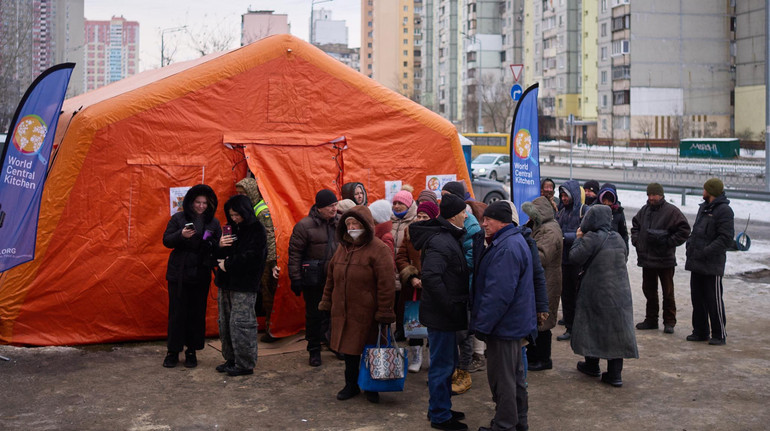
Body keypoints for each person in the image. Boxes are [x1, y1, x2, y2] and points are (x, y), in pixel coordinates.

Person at [318, 205, 395, 404]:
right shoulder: (343, 248)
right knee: (350, 350)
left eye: (356, 223)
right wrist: (326, 300)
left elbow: (386, 284)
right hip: (344, 311)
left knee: (370, 349)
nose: (351, 227)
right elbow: (330, 278)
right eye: (348, 223)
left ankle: (371, 387)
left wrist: (384, 311)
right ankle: (350, 385)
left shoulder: (379, 249)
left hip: (368, 312)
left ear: (367, 225)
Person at [472, 201, 536, 431]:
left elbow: (498, 294)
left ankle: (504, 425)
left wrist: (483, 326)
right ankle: (518, 422)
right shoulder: (510, 241)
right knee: (515, 378)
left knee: (503, 380)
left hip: (504, 326)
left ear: (502, 221)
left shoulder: (507, 247)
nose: (484, 223)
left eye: (488, 219)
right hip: (512, 325)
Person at [410, 194, 470, 431]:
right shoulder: (441, 241)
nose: (466, 215)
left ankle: (440, 407)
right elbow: (432, 277)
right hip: (442, 315)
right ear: (454, 215)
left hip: (445, 314)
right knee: (442, 366)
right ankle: (439, 416)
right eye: (463, 212)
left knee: (447, 363)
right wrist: (448, 305)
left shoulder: (448, 237)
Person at [569, 205, 638, 388]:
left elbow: (575, 257)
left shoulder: (591, 238)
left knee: (592, 325)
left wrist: (578, 239)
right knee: (617, 331)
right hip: (620, 294)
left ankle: (591, 365)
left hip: (596, 292)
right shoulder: (618, 238)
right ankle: (615, 374)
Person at [161, 184, 221, 368]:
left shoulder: (214, 222)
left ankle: (191, 351)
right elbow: (166, 240)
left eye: (204, 203)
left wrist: (213, 245)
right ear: (191, 202)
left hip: (200, 273)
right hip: (179, 273)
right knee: (177, 313)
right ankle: (173, 351)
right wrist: (181, 235)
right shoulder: (179, 218)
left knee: (196, 314)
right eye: (198, 202)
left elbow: (218, 246)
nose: (201, 206)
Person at [214, 194, 267, 376]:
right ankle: (231, 358)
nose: (235, 218)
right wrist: (220, 245)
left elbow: (254, 257)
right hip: (226, 283)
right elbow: (216, 253)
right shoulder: (231, 228)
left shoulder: (256, 229)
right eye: (232, 215)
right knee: (225, 322)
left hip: (244, 284)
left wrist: (227, 264)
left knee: (241, 323)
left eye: (237, 214)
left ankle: (245, 363)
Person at [288, 189, 339, 366]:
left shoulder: (341, 223)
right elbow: (295, 253)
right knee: (314, 315)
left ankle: (336, 345)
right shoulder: (304, 226)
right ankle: (314, 350)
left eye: (335, 204)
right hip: (313, 279)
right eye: (330, 206)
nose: (334, 209)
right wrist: (295, 278)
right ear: (320, 207)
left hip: (336, 279)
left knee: (337, 313)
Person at [631, 183, 691, 334]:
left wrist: (668, 242)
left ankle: (669, 322)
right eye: (649, 195)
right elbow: (635, 226)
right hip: (647, 260)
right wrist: (637, 241)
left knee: (668, 292)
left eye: (654, 195)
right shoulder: (644, 211)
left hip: (665, 260)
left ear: (661, 195)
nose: (651, 198)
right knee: (649, 291)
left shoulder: (671, 211)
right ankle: (651, 319)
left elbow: (684, 230)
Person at [440, 181, 482, 395]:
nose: (443, 200)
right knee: (456, 331)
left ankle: (464, 372)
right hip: (455, 285)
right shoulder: (452, 220)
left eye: (447, 195)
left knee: (463, 333)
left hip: (465, 286)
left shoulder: (470, 224)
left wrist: (453, 268)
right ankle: (455, 370)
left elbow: (471, 258)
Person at [685, 178, 734, 345]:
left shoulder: (724, 211)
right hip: (696, 261)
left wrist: (707, 251)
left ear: (710, 191)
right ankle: (700, 331)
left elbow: (726, 238)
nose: (702, 191)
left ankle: (719, 334)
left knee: (714, 300)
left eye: (705, 189)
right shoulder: (704, 208)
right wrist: (690, 245)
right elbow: (696, 231)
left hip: (711, 264)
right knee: (697, 299)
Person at [395, 200, 440, 373]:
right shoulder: (409, 232)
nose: (421, 219)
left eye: (425, 216)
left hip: (432, 288)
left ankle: (431, 357)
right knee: (413, 322)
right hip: (413, 287)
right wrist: (411, 276)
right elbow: (401, 257)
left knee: (433, 324)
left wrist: (429, 279)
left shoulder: (438, 234)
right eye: (419, 216)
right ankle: (416, 356)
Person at [235, 177, 280, 343]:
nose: (241, 196)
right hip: (256, 259)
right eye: (238, 193)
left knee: (268, 295)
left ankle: (271, 329)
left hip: (266, 261)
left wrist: (270, 262)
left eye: (243, 193)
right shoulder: (250, 208)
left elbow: (270, 236)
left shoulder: (262, 210)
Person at [522, 196, 563, 371]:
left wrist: (524, 246)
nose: (529, 219)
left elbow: (542, 257)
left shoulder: (550, 230)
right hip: (543, 280)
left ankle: (544, 359)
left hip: (548, 281)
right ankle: (534, 356)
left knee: (544, 322)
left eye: (531, 215)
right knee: (537, 319)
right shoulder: (540, 227)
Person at [555, 179, 583, 341]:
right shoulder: (561, 212)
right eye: (562, 195)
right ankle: (570, 328)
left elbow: (583, 233)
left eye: (566, 195)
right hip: (564, 260)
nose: (563, 198)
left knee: (578, 296)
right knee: (566, 296)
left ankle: (579, 329)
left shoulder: (582, 211)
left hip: (577, 262)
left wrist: (565, 237)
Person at [391, 189, 418, 340]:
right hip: (392, 270)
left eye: (400, 203)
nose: (396, 206)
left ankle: (410, 332)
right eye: (394, 203)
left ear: (408, 204)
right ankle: (399, 330)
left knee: (406, 303)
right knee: (395, 303)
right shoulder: (389, 221)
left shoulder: (414, 222)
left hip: (406, 270)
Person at [597, 183, 629, 249]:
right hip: (596, 249)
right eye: (604, 200)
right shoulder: (594, 210)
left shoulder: (618, 212)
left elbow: (623, 234)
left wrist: (625, 251)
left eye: (609, 200)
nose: (607, 203)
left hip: (614, 249)